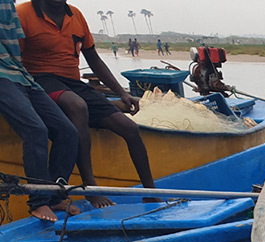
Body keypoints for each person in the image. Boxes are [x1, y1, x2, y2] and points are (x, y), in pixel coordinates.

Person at [18, 0, 154, 208]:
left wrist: (121, 93)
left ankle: (151, 191)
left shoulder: (75, 15)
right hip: (39, 80)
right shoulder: (24, 14)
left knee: (129, 128)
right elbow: (13, 59)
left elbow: (94, 59)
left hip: (73, 82)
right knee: (77, 106)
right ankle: (90, 187)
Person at [0, 0, 78, 222]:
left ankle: (55, 195)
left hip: (18, 72)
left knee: (67, 132)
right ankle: (39, 201)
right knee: (35, 130)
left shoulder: (8, 4)